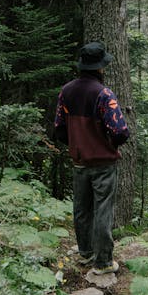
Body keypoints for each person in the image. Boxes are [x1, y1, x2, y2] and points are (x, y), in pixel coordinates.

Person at [54, 41, 130, 274]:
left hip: (80, 161)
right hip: (103, 162)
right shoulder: (104, 94)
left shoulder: (66, 91)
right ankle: (103, 262)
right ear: (100, 68)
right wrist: (107, 143)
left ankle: (85, 253)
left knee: (81, 209)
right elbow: (120, 132)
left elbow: (59, 129)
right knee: (102, 210)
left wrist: (78, 144)